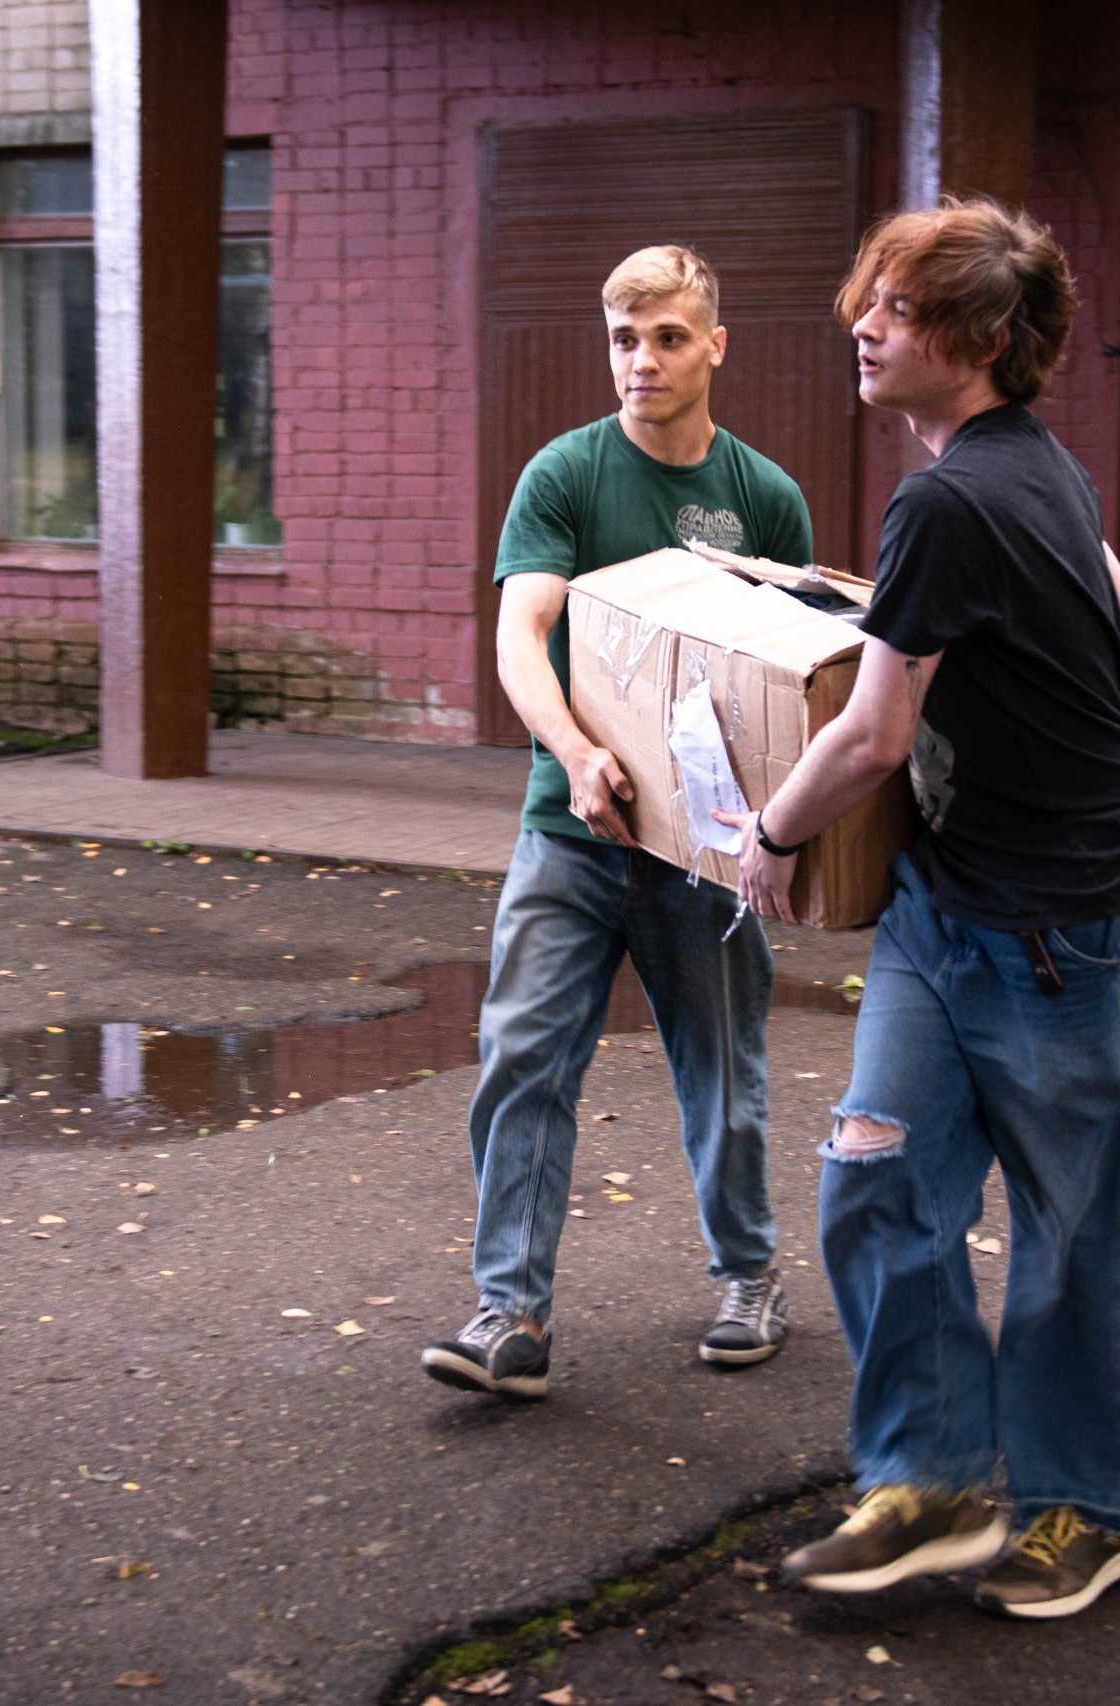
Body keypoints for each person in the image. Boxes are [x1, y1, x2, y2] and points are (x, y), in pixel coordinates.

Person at [714, 199, 1120, 1620]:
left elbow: (869, 737)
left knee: (1073, 1227)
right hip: (946, 903)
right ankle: (929, 1480)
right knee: (880, 1173)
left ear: (979, 341)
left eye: (899, 311)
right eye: (869, 301)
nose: (864, 328)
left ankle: (1092, 1509)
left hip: (1078, 922)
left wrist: (768, 834)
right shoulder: (1036, 467)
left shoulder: (956, 497)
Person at [421, 245, 814, 1400]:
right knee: (524, 1057)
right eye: (624, 339)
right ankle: (511, 1312)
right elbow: (521, 633)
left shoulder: (763, 497)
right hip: (570, 830)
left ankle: (748, 1276)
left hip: (703, 848)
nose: (642, 360)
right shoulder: (566, 474)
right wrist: (576, 750)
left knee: (722, 1066)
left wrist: (780, 826)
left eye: (668, 337)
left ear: (715, 346)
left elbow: (780, 669)